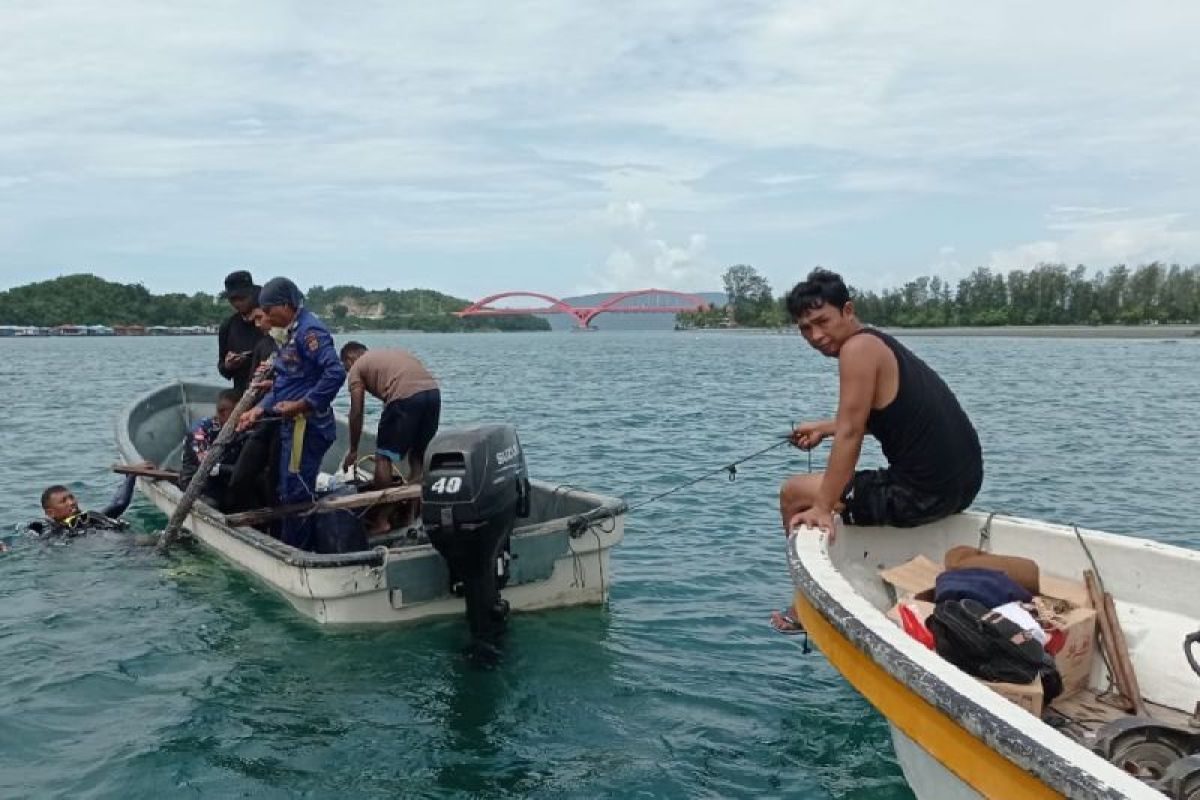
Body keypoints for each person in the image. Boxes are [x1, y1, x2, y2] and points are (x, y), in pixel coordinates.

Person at [772, 268, 982, 632]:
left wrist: (822, 507)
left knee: (794, 493)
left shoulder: (857, 350)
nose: (816, 336)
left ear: (847, 310)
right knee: (826, 486)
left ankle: (802, 606)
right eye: (805, 329)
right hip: (963, 485)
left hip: (923, 495)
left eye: (822, 322)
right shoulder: (877, 342)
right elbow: (887, 417)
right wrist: (825, 428)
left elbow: (851, 432)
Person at [237, 277, 346, 547]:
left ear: (286, 305)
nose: (269, 319)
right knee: (288, 489)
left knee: (297, 493)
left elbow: (335, 372)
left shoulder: (310, 332)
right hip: (292, 426)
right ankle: (293, 543)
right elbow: (289, 381)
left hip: (307, 427)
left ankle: (299, 550)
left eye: (270, 312)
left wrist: (303, 404)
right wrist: (259, 410)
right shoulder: (289, 333)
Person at [339, 342, 441, 534]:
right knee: (418, 456)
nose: (348, 372)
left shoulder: (357, 367)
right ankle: (414, 515)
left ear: (349, 359)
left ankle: (382, 520)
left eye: (346, 368)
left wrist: (353, 449)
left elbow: (356, 411)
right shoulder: (390, 354)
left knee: (383, 459)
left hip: (404, 397)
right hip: (433, 394)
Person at [28, 462, 155, 539]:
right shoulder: (52, 533)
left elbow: (119, 503)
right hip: (106, 551)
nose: (71, 502)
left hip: (122, 544)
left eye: (71, 497)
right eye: (63, 501)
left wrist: (132, 474)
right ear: (51, 513)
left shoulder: (92, 518)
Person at [178, 389, 246, 510]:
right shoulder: (200, 431)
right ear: (222, 412)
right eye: (238, 412)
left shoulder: (240, 429)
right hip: (197, 482)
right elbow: (208, 467)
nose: (243, 416)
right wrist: (240, 470)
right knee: (214, 504)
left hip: (223, 480)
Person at [217, 270, 270, 393]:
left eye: (242, 298)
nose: (237, 303)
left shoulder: (271, 319)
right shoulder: (228, 326)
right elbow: (223, 370)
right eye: (233, 299)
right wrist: (228, 366)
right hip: (242, 393)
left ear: (252, 295)